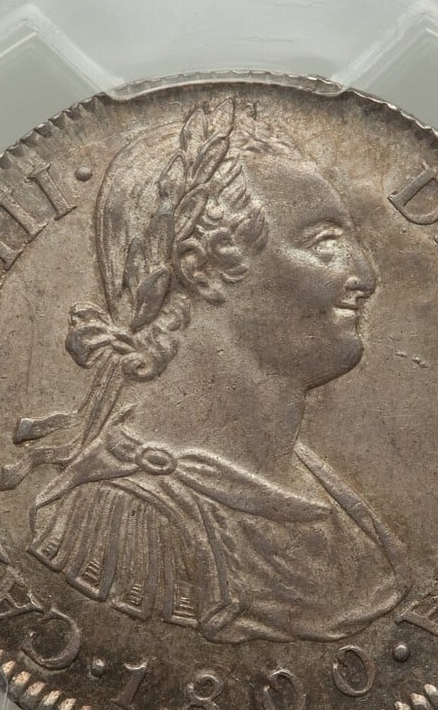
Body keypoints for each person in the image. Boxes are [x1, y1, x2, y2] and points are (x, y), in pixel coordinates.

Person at [20, 92, 408, 644]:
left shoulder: (322, 489)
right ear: (202, 269)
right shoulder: (128, 523)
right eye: (323, 243)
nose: (365, 275)